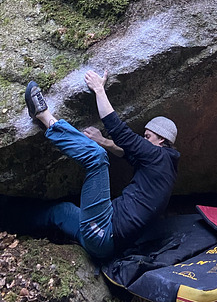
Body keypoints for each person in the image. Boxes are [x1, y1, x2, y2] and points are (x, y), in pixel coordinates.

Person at [23, 70, 179, 259]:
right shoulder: (165, 168)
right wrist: (104, 141)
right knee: (61, 211)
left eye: (147, 136)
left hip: (104, 231)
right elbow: (127, 153)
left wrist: (99, 89)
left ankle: (43, 115)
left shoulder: (158, 156)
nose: (144, 140)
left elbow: (120, 132)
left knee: (96, 157)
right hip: (104, 244)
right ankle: (11, 221)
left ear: (161, 139)